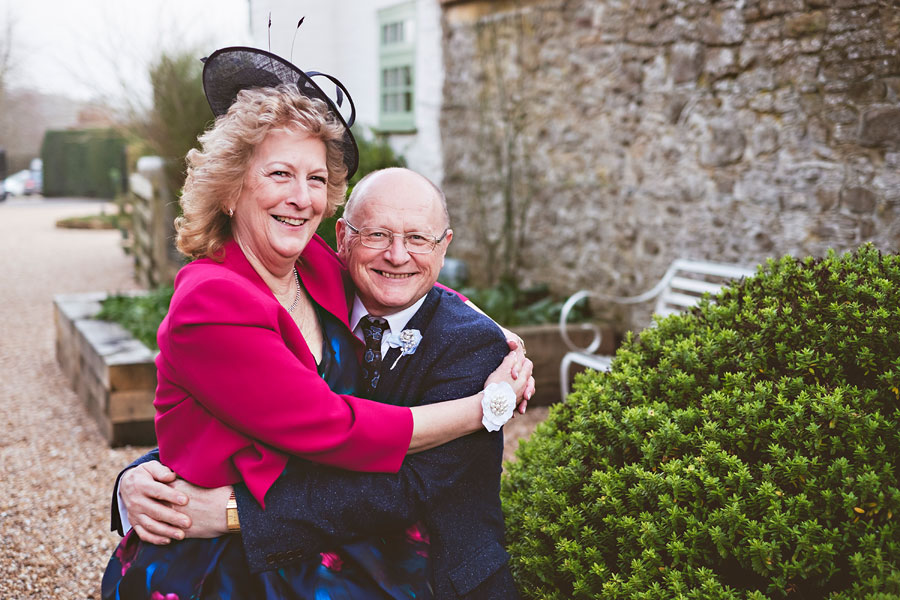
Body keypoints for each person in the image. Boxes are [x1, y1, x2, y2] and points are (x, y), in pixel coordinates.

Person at [101, 47, 532, 600]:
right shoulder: (212, 301)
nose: (300, 198)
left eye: (315, 179)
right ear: (232, 189)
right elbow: (329, 427)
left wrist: (485, 322)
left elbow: (400, 278)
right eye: (280, 174)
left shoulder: (313, 266)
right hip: (236, 568)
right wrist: (485, 407)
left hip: (400, 559)